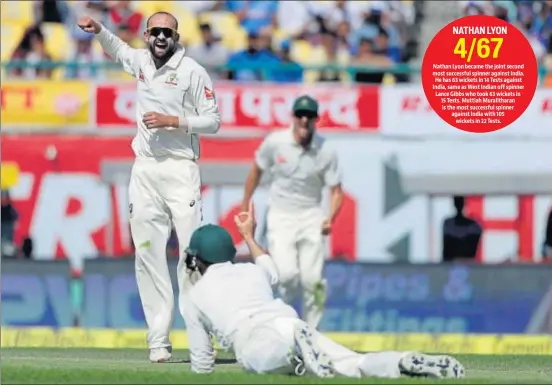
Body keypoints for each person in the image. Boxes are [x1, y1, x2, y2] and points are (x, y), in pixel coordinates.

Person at [181, 201, 466, 379]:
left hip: (255, 337)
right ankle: (401, 362)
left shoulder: (195, 296)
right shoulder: (252, 270)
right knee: (353, 364)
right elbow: (270, 266)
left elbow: (202, 362)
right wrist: (249, 237)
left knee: (257, 361)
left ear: (197, 258)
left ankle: (294, 356)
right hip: (289, 322)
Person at [78, 11, 221, 363]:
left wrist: (175, 121)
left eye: (167, 32)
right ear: (147, 34)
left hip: (180, 170)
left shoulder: (192, 71)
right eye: (155, 31)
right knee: (147, 255)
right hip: (144, 171)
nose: (160, 37)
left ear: (176, 36)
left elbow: (214, 121)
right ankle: (158, 340)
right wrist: (99, 30)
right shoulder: (141, 61)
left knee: (192, 255)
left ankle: (201, 337)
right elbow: (117, 49)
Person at [241, 95, 343, 328]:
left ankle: (311, 334)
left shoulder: (326, 150)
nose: (304, 120)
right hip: (280, 214)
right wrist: (245, 203)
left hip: (311, 215)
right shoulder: (276, 142)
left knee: (313, 281)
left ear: (316, 119)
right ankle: (281, 327)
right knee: (285, 276)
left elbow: (337, 190)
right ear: (293, 117)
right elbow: (256, 171)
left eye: (309, 116)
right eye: (300, 115)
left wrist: (330, 218)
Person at [442, 196, 483, 262]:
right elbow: (447, 250)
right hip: (451, 264)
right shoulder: (448, 223)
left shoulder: (474, 225)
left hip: (469, 263)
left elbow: (471, 249)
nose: (459, 204)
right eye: (457, 202)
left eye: (460, 202)